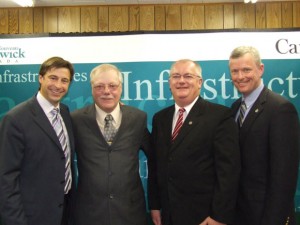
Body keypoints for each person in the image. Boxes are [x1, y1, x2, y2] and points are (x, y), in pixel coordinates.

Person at [148, 59, 241, 225]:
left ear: (199, 82)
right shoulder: (160, 118)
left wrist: (218, 216)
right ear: (169, 83)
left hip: (205, 218)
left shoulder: (220, 116)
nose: (181, 81)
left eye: (188, 76)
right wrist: (155, 205)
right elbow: (155, 166)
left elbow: (228, 172)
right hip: (168, 216)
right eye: (176, 76)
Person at [71, 63, 152, 225]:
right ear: (92, 89)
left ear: (121, 88)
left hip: (130, 213)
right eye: (99, 86)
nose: (106, 91)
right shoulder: (75, 120)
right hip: (89, 213)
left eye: (112, 86)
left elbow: (158, 158)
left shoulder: (138, 118)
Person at [0, 56, 76, 225]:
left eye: (64, 80)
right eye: (53, 78)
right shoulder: (15, 119)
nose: (58, 85)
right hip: (32, 216)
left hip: (65, 211)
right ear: (40, 78)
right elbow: (6, 178)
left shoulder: (64, 112)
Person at [229, 46, 300, 225]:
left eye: (246, 69)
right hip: (238, 214)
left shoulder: (280, 109)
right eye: (235, 71)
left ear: (261, 69)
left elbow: (284, 176)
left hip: (267, 216)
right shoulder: (235, 108)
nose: (240, 76)